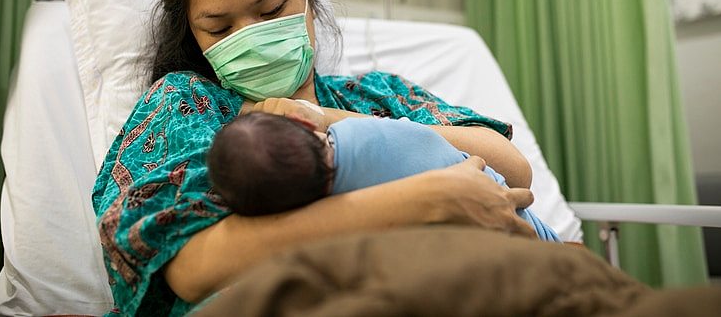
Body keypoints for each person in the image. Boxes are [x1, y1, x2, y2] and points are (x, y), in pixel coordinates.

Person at [91, 0, 538, 316]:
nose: (250, 37)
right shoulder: (187, 106)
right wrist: (426, 200)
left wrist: (326, 118)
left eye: (270, 11)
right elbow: (191, 270)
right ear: (193, 38)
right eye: (220, 28)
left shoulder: (376, 95)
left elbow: (513, 169)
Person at [207, 112, 561, 241]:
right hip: (534, 242)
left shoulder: (328, 222)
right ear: (303, 123)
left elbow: (516, 170)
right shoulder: (367, 133)